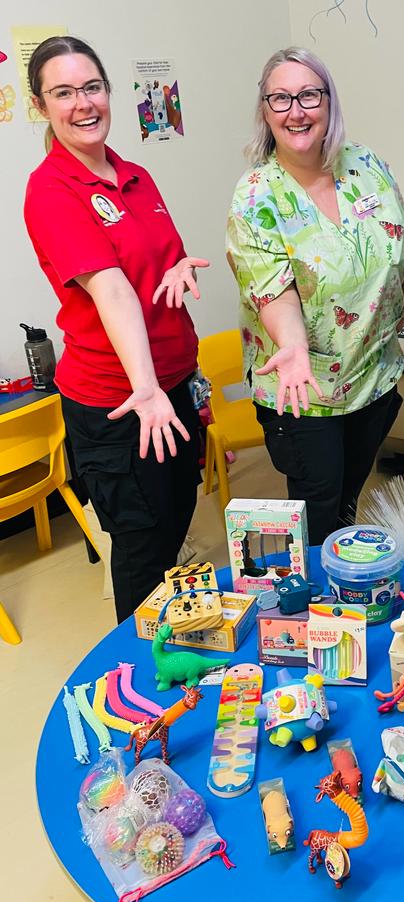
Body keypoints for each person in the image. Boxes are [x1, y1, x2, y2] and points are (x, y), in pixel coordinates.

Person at [24, 36, 209, 622]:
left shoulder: (135, 175)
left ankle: (175, 645)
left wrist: (178, 268)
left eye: (92, 87)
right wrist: (148, 390)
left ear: (108, 92)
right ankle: (140, 684)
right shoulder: (52, 190)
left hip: (173, 389)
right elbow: (110, 287)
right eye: (63, 92)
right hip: (122, 401)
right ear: (41, 106)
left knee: (177, 520)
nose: (82, 103)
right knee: (141, 548)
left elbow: (161, 256)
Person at [226, 47, 404, 544]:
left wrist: (395, 319)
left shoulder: (366, 165)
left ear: (329, 102)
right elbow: (273, 292)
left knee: (350, 498)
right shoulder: (256, 195)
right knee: (318, 508)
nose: (296, 110)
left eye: (309, 94)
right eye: (280, 98)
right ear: (265, 112)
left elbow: (403, 246)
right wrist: (292, 344)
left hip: (372, 376)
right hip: (304, 390)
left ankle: (345, 591)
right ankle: (317, 610)